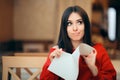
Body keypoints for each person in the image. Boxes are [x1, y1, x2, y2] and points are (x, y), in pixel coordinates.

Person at [40, 5, 116, 80]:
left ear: (85, 25)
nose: (75, 28)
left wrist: (93, 68)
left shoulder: (98, 50)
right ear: (64, 28)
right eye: (69, 23)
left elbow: (112, 77)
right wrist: (52, 64)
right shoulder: (57, 52)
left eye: (79, 22)